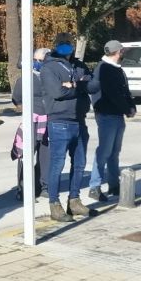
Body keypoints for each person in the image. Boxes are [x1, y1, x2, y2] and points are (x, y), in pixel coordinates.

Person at [41, 33, 93, 222]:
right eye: (63, 44)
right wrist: (78, 86)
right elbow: (57, 92)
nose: (67, 47)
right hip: (59, 122)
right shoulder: (49, 68)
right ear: (56, 46)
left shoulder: (78, 65)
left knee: (79, 164)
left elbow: (92, 84)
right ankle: (54, 204)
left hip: (79, 120)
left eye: (69, 44)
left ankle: (74, 200)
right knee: (57, 164)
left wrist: (72, 85)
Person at [87, 40, 136, 202]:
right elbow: (113, 93)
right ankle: (95, 186)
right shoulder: (104, 68)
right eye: (122, 51)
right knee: (104, 151)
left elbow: (124, 90)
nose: (123, 53)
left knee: (114, 152)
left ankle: (114, 185)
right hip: (107, 114)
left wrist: (131, 106)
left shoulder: (116, 68)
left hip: (116, 114)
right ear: (118, 52)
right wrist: (127, 108)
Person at [12, 48, 51, 201]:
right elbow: (16, 99)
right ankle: (23, 189)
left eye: (42, 60)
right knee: (26, 154)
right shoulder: (25, 79)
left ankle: (43, 186)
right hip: (32, 122)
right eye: (36, 60)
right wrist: (28, 112)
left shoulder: (51, 77)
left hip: (48, 121)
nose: (38, 63)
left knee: (45, 156)